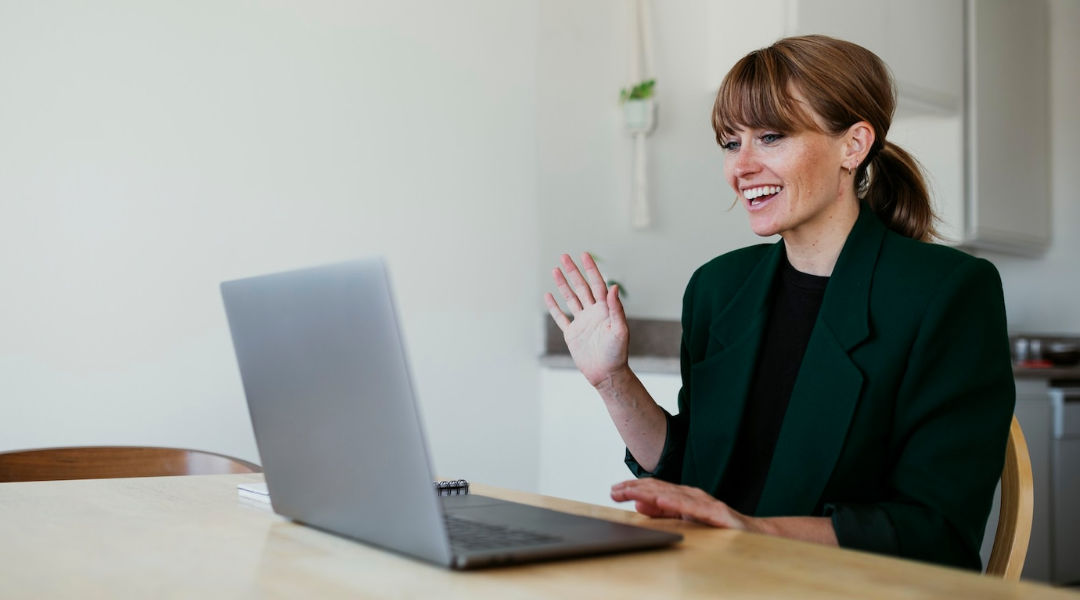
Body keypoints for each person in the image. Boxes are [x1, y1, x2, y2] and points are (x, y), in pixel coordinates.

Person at [543, 35, 1014, 571]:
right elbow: (690, 473)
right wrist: (612, 380)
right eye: (729, 142)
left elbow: (937, 531)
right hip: (719, 578)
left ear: (853, 145)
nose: (741, 167)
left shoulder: (947, 292)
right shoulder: (717, 289)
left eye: (770, 137)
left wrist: (755, 530)